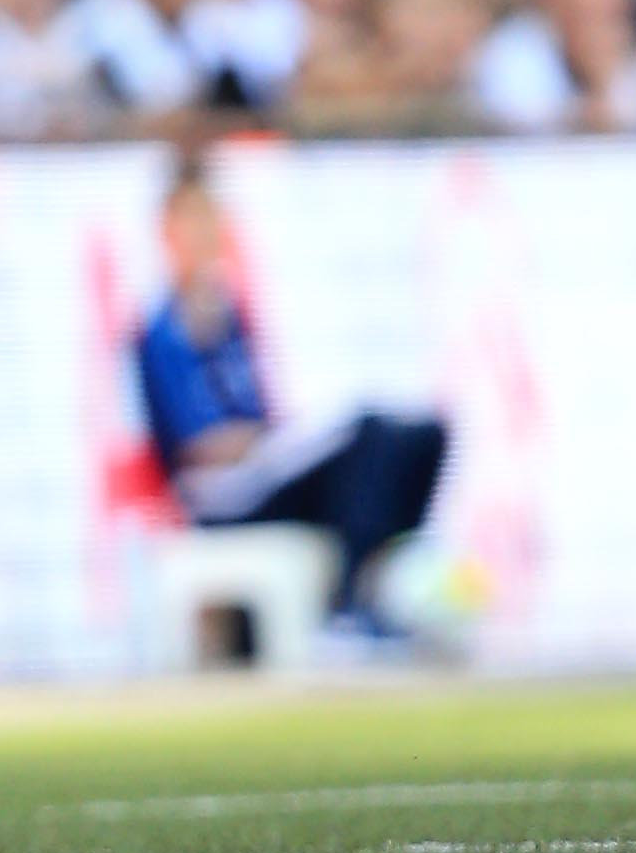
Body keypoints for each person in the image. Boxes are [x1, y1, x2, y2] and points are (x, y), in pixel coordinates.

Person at [132, 163, 449, 631]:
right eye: (193, 220)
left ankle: (382, 571)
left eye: (211, 218)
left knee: (423, 436)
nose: (206, 233)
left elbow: (261, 415)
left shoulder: (230, 315)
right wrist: (262, 440)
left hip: (263, 469)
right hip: (222, 496)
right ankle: (352, 600)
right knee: (364, 433)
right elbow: (201, 446)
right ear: (169, 231)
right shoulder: (164, 332)